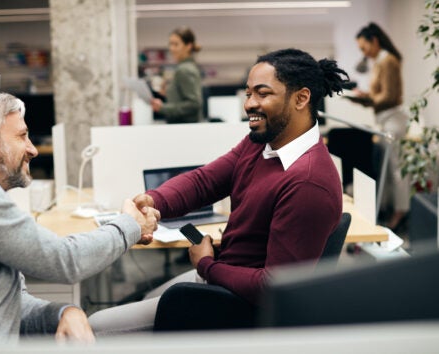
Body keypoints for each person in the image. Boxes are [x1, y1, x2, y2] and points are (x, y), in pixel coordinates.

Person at [88, 48, 349, 334]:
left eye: (263, 93)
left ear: (301, 98)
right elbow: (205, 181)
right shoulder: (262, 144)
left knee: (95, 327)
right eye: (248, 93)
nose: (249, 103)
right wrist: (154, 201)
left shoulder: (307, 183)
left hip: (236, 306)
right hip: (223, 280)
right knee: (149, 298)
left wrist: (208, 265)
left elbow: (273, 287)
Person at [0, 91, 160, 341]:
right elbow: (64, 260)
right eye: (22, 136)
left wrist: (62, 312)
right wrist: (130, 224)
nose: (33, 150)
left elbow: (9, 302)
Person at [352, 22, 410, 232]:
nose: (363, 53)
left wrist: (364, 100)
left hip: (393, 119)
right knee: (386, 168)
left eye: (363, 47)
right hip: (384, 119)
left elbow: (389, 96)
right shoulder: (379, 61)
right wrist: (364, 96)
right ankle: (391, 209)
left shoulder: (388, 61)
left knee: (397, 170)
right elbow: (380, 94)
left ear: (374, 41)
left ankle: (401, 211)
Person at [150, 26, 203, 123]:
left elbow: (194, 104)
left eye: (176, 44)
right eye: (170, 44)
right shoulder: (185, 67)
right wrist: (170, 92)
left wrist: (162, 108)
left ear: (188, 46)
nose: (171, 48)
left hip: (184, 129)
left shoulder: (185, 70)